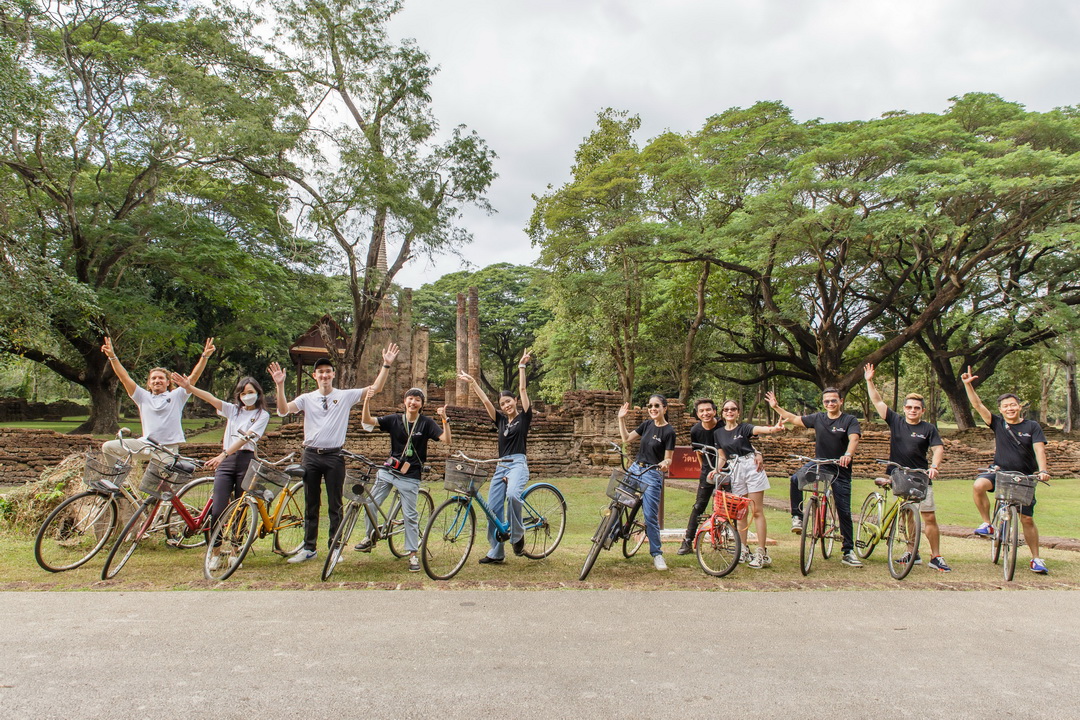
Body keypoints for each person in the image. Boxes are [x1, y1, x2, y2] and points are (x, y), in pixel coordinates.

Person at [268, 344, 398, 564]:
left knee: (335, 504)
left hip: (334, 456)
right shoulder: (306, 398)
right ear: (315, 375)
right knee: (311, 502)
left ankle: (335, 547)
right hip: (310, 454)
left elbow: (375, 388)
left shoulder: (345, 396)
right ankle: (309, 548)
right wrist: (280, 385)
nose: (325, 375)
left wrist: (386, 364)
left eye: (328, 371)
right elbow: (282, 410)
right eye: (321, 372)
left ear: (333, 374)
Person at [170, 372, 271, 571]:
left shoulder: (262, 415)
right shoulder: (233, 410)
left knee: (240, 509)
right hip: (226, 462)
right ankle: (215, 552)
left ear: (258, 394)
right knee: (218, 508)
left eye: (250, 392)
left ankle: (235, 551)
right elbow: (210, 398)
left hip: (245, 460)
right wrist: (189, 388)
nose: (246, 396)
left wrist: (223, 454)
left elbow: (247, 439)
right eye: (243, 393)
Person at [961, 367, 1051, 574]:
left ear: (1019, 407)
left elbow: (1039, 449)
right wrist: (968, 385)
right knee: (979, 484)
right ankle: (987, 523)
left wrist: (1043, 470)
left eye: (1013, 405)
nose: (1010, 408)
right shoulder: (998, 423)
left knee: (1026, 518)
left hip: (1025, 477)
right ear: (1000, 410)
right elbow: (977, 405)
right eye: (1005, 406)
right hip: (999, 472)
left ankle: (1036, 558)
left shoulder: (1032, 426)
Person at [864, 364, 950, 572]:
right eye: (909, 407)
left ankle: (936, 556)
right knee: (907, 515)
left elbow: (938, 448)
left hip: (920, 477)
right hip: (899, 475)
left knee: (928, 515)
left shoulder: (928, 428)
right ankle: (912, 552)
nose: (912, 410)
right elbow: (877, 400)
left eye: (917, 408)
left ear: (923, 410)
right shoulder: (896, 421)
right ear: (904, 408)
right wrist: (869, 380)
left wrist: (935, 466)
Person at [766, 388, 863, 568]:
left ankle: (848, 551)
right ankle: (797, 517)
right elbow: (795, 419)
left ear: (841, 401)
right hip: (820, 463)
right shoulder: (818, 418)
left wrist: (848, 454)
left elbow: (854, 438)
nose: (830, 404)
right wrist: (776, 407)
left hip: (840, 468)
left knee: (844, 511)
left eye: (833, 401)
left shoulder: (849, 420)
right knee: (796, 479)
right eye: (826, 401)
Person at [357, 386, 450, 572]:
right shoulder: (394, 420)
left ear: (422, 404)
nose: (413, 402)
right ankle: (370, 537)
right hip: (389, 470)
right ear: (404, 401)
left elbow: (446, 439)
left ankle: (412, 554)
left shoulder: (426, 423)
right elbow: (367, 420)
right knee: (369, 503)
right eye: (410, 398)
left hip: (410, 476)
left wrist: (444, 419)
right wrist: (367, 401)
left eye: (417, 400)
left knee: (410, 516)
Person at [460, 349, 533, 564]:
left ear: (515, 401)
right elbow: (485, 402)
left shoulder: (524, 417)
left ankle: (518, 537)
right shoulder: (500, 421)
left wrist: (522, 366)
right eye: (502, 404)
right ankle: (496, 551)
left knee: (512, 495)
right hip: (501, 465)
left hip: (518, 463)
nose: (506, 405)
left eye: (508, 402)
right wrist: (473, 383)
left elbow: (522, 387)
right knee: (492, 509)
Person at [100, 336, 215, 464]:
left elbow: (193, 378)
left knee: (164, 482)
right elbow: (124, 377)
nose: (157, 381)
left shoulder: (177, 395)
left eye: (160, 378)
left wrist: (205, 356)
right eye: (153, 379)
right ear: (149, 383)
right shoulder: (142, 396)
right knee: (108, 447)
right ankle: (118, 479)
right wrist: (112, 356)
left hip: (167, 448)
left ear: (168, 382)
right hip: (145, 445)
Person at [713, 400, 786, 569]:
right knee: (740, 512)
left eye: (733, 409)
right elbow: (722, 456)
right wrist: (715, 470)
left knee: (757, 510)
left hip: (751, 467)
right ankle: (743, 548)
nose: (729, 412)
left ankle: (761, 551)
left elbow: (760, 430)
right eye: (726, 409)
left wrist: (774, 429)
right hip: (735, 468)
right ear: (722, 413)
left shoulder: (743, 428)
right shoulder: (718, 433)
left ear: (738, 412)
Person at [617, 395, 675, 571]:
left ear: (665, 408)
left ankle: (657, 554)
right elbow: (626, 438)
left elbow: (668, 459)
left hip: (652, 473)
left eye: (657, 405)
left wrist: (665, 464)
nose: (653, 408)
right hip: (636, 468)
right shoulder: (647, 425)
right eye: (650, 405)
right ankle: (610, 533)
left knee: (650, 516)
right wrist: (621, 419)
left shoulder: (669, 431)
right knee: (619, 500)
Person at [678, 399, 721, 557]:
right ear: (697, 414)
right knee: (699, 506)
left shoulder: (723, 426)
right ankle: (688, 540)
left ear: (714, 411)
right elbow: (698, 453)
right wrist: (705, 469)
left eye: (708, 410)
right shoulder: (696, 430)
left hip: (726, 471)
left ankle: (731, 541)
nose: (705, 413)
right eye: (702, 411)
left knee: (726, 507)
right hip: (708, 470)